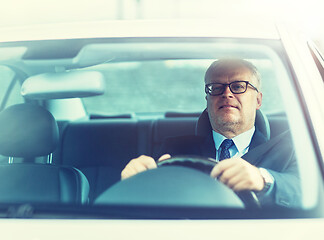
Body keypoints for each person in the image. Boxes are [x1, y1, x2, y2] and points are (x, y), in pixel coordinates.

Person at [121, 58, 300, 207]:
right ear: (207, 100)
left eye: (238, 86)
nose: (226, 94)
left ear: (258, 100)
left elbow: (307, 192)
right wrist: (134, 184)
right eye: (216, 88)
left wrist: (263, 180)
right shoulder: (174, 149)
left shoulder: (289, 150)